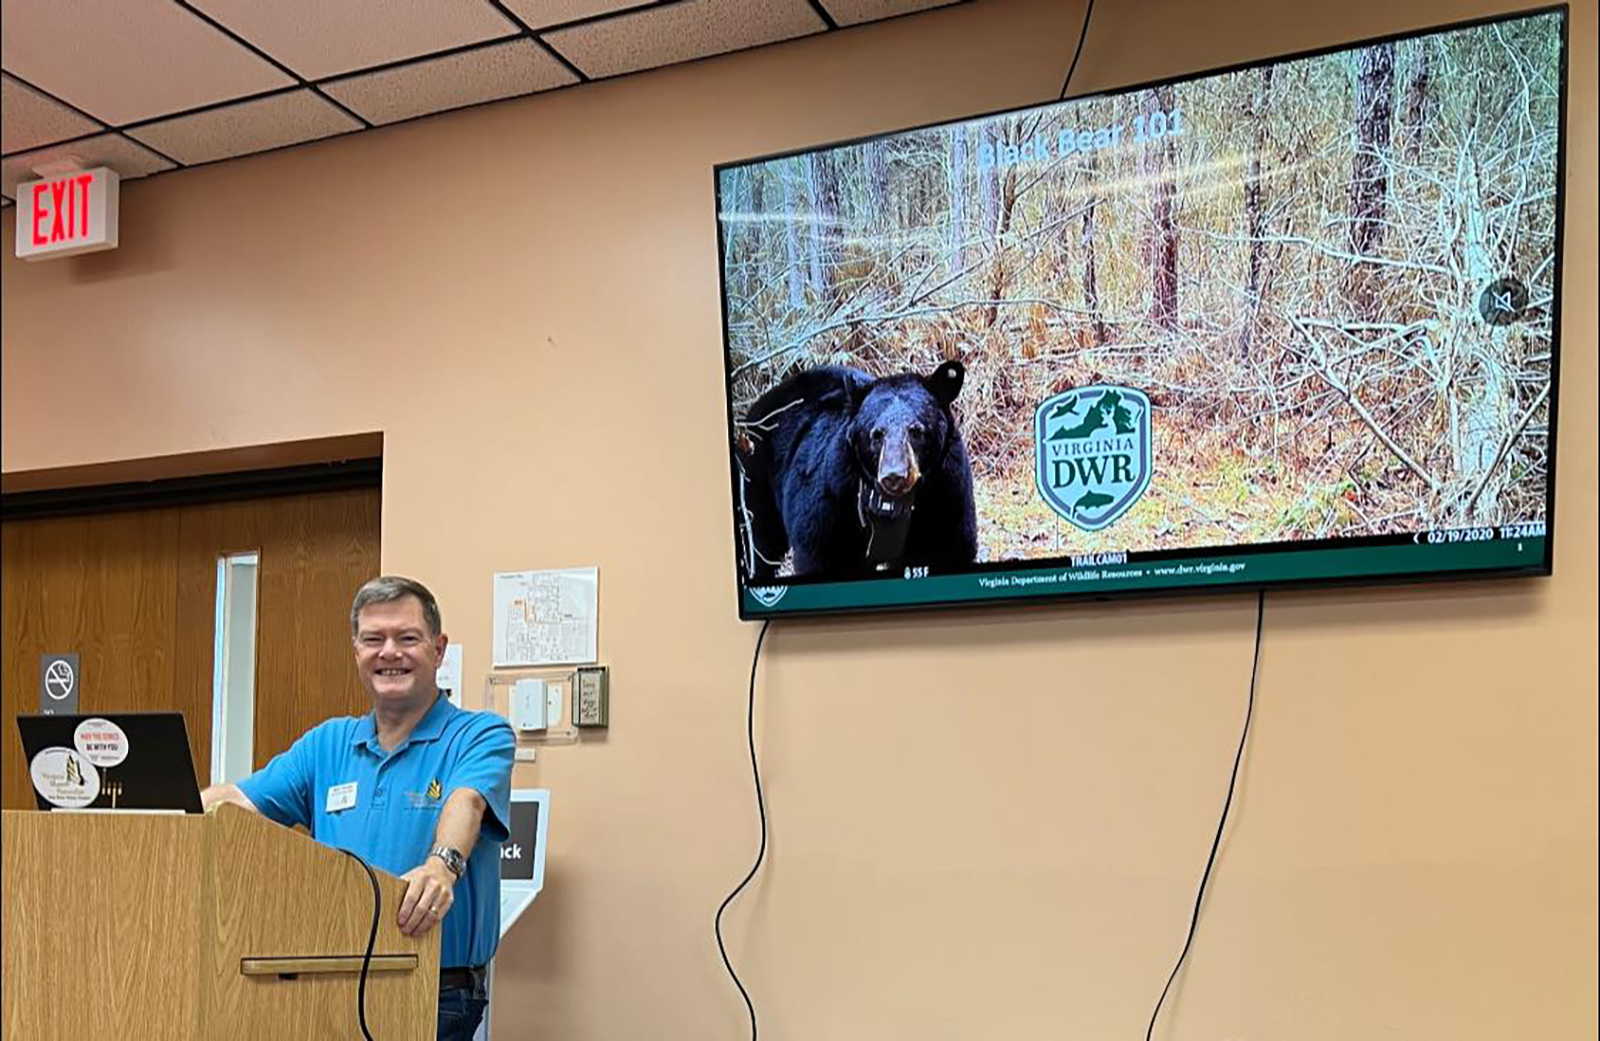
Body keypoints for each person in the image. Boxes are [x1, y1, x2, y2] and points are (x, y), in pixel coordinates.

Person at [202, 575, 515, 1041]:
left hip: (437, 992)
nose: (389, 652)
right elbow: (238, 803)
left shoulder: (479, 734)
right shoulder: (327, 743)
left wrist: (441, 866)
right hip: (330, 981)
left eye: (407, 638)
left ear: (438, 650)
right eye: (373, 639)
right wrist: (163, 806)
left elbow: (466, 801)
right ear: (356, 652)